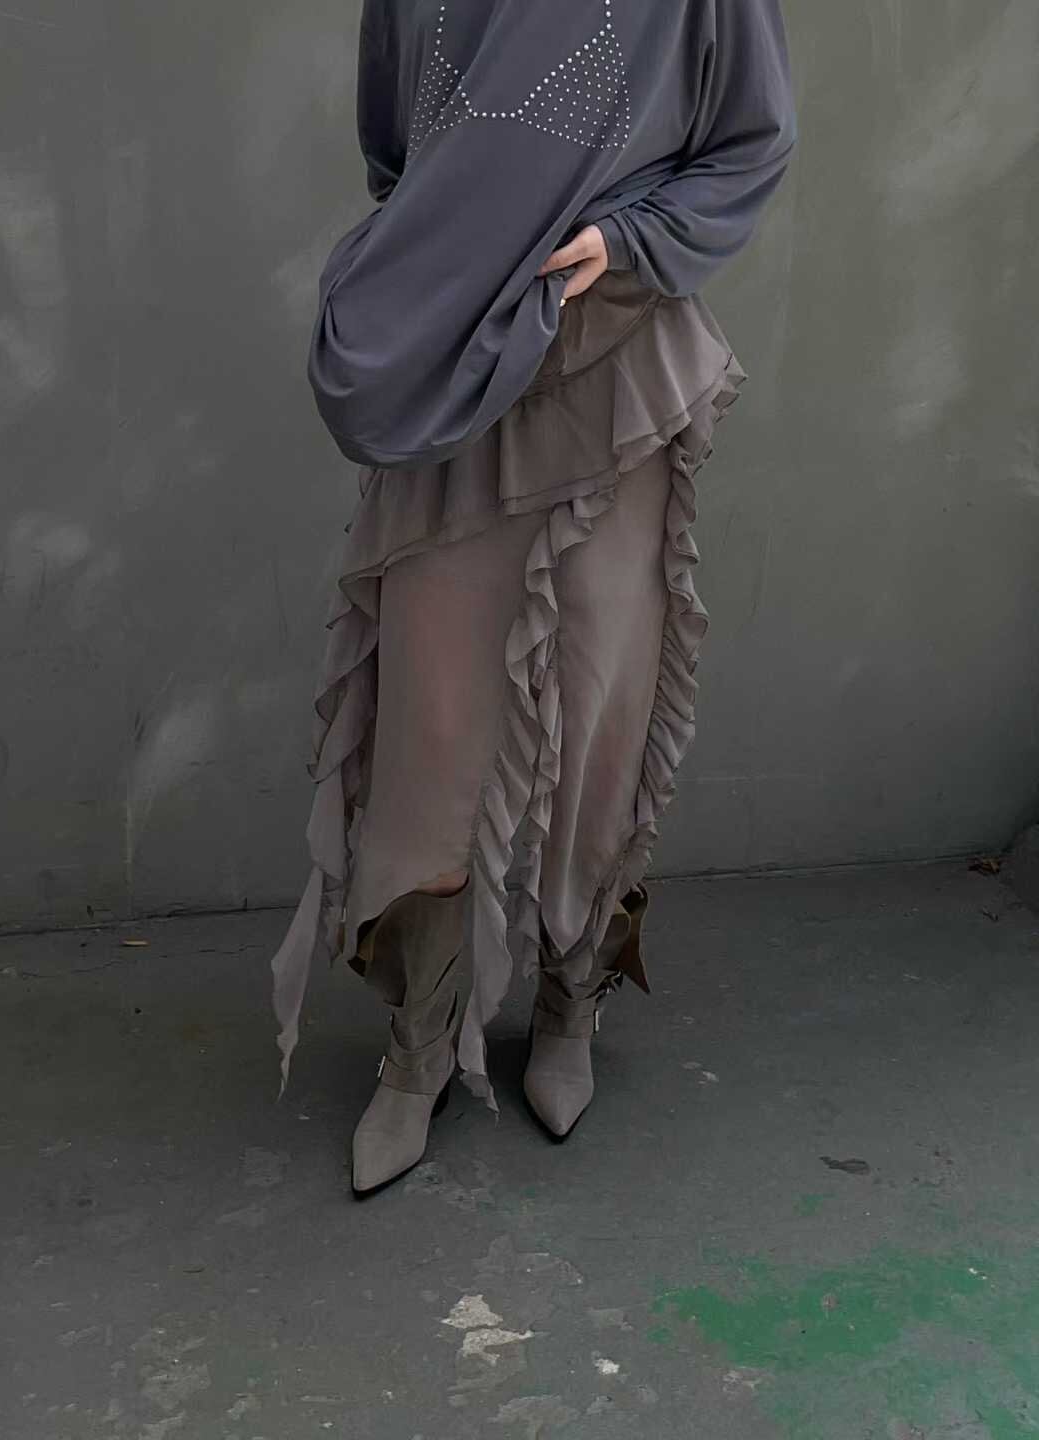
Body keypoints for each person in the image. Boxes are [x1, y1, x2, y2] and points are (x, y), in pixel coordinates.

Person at [271, 0, 797, 1197]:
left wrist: (624, 239)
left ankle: (571, 996)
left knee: (601, 698)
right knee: (432, 720)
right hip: (454, 362)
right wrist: (455, 264)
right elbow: (396, 146)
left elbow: (750, 140)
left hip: (611, 357)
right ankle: (420, 1043)